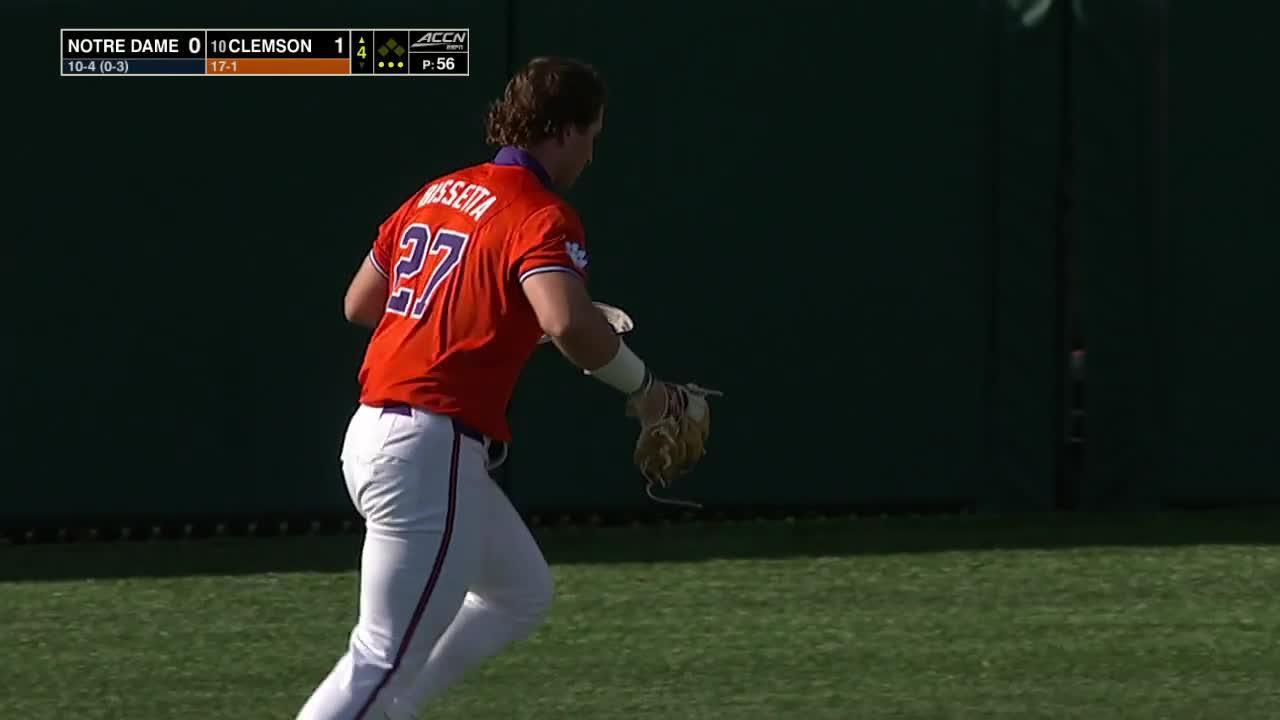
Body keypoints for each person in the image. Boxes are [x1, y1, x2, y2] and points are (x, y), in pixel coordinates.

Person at [297, 56, 671, 719]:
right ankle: (384, 703)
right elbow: (565, 323)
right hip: (427, 444)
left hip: (379, 432)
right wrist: (644, 389)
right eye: (591, 136)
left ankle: (394, 707)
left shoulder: (437, 192)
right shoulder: (540, 212)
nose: (590, 153)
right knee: (379, 656)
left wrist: (495, 320)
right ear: (561, 131)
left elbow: (361, 303)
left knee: (518, 591)